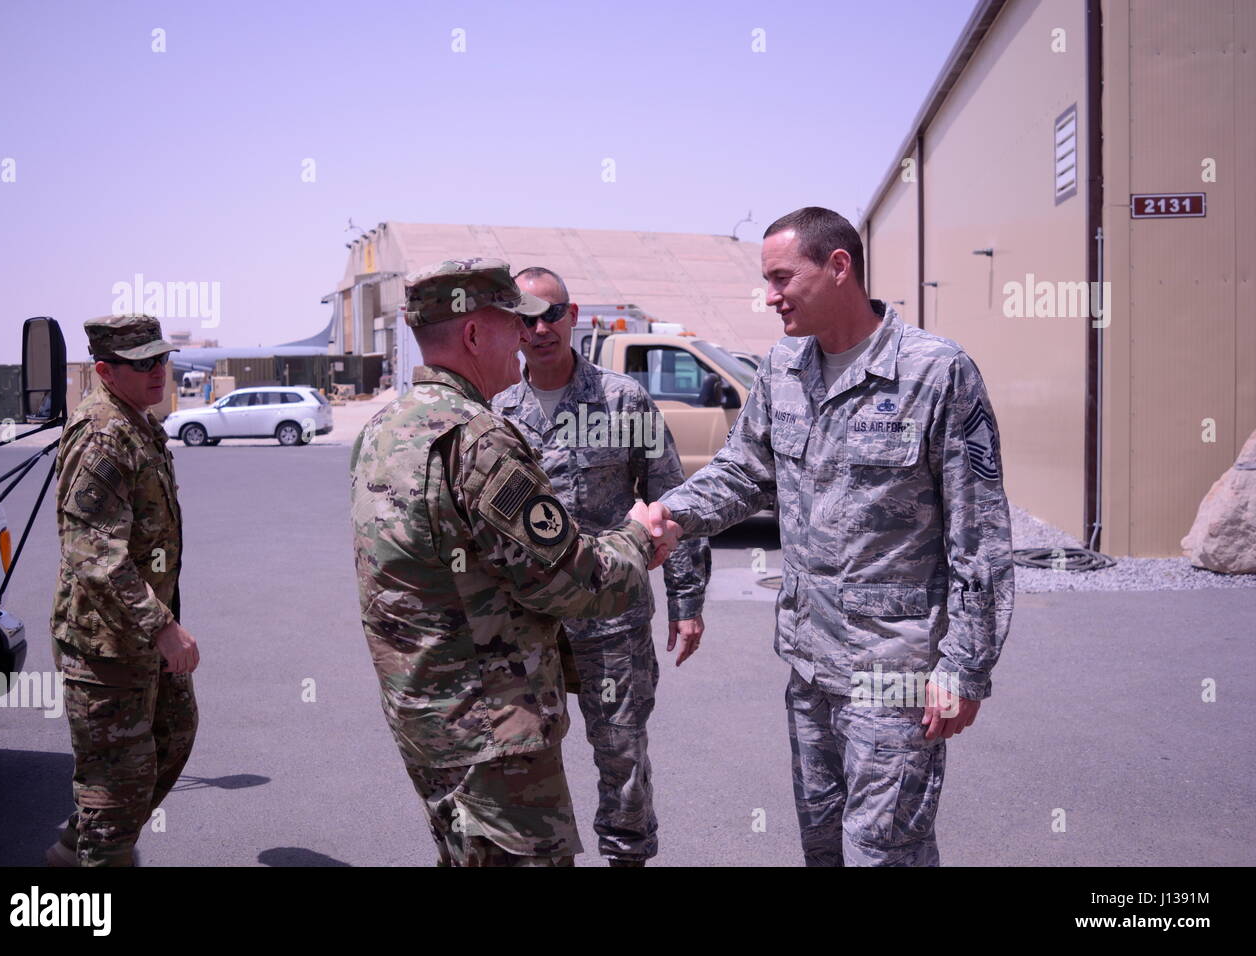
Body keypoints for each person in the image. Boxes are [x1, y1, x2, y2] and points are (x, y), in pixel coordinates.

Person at [648, 207, 1014, 866]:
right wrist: (671, 516)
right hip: (810, 667)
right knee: (824, 847)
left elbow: (980, 535)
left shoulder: (936, 373)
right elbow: (742, 474)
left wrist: (964, 667)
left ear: (838, 265)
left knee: (880, 851)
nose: (770, 297)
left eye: (782, 277)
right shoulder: (782, 368)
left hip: (895, 673)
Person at [350, 258, 681, 867]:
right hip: (492, 720)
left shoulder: (382, 430)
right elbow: (572, 580)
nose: (528, 335)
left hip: (424, 710)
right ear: (477, 335)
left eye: (543, 318)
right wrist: (637, 537)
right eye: (515, 323)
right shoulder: (480, 436)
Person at [493, 266, 710, 867]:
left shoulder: (622, 400)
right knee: (527, 757)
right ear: (512, 327)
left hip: (611, 620)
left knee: (621, 753)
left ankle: (627, 858)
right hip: (527, 626)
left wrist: (687, 604)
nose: (541, 329)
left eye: (552, 314)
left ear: (574, 315)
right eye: (526, 318)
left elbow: (672, 502)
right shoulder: (494, 411)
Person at [46, 314, 199, 867]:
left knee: (174, 735)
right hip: (106, 644)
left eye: (162, 358)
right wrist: (163, 627)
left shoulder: (137, 420)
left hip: (140, 638)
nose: (159, 371)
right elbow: (95, 557)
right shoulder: (104, 435)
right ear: (105, 370)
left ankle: (79, 846)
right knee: (118, 783)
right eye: (143, 363)